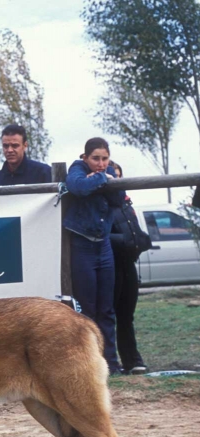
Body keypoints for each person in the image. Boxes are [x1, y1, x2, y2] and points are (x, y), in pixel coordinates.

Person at [64, 137, 124, 375]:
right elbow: (77, 186)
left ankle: (112, 362)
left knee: (106, 309)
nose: (100, 164)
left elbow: (118, 198)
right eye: (95, 159)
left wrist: (100, 181)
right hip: (82, 246)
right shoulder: (77, 169)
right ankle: (89, 362)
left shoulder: (108, 172)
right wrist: (104, 180)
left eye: (104, 159)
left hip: (104, 246)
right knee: (86, 309)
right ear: (85, 158)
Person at [109, 161, 151, 375]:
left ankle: (132, 360)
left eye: (119, 176)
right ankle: (110, 361)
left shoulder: (127, 205)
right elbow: (102, 234)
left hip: (128, 264)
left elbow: (136, 232)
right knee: (107, 314)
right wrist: (125, 241)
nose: (116, 181)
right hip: (110, 264)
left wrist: (143, 241)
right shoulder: (103, 203)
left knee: (127, 315)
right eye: (112, 176)